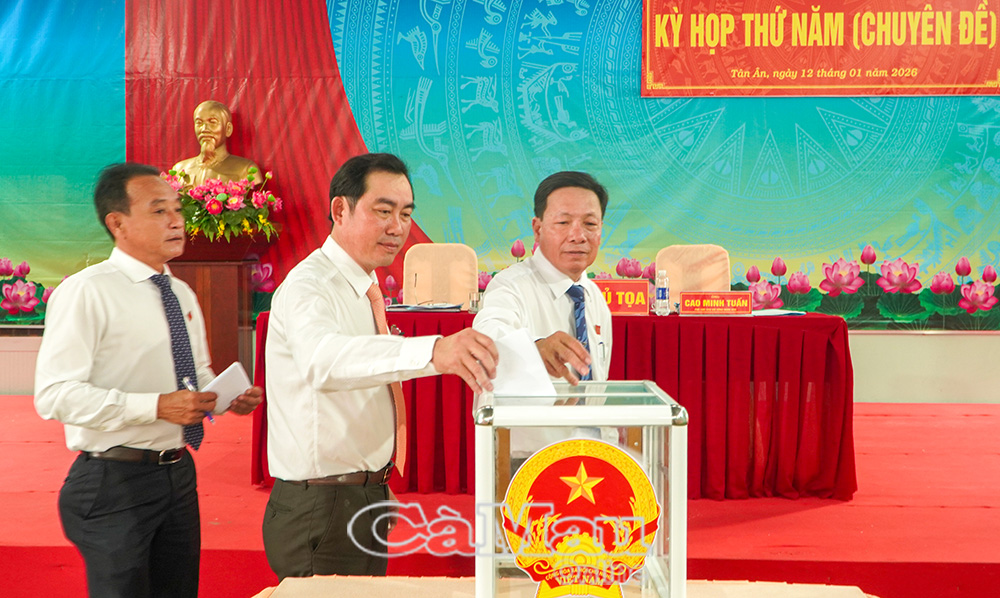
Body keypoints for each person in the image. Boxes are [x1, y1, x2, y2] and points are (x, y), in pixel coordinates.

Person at [262, 152, 498, 579]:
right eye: (383, 211)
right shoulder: (309, 286)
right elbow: (323, 361)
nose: (398, 227)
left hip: (361, 495)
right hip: (321, 505)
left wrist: (376, 489)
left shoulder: (363, 283)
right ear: (340, 210)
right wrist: (433, 351)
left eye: (406, 214)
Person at [34, 162, 264, 598]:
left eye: (177, 209)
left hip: (177, 473)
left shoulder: (180, 292)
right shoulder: (87, 292)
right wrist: (156, 406)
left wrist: (223, 397)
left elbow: (195, 374)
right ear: (117, 223)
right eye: (159, 211)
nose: (177, 221)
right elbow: (54, 395)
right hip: (113, 481)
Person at [473, 171, 613, 463]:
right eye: (563, 223)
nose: (578, 235)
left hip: (589, 456)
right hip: (526, 460)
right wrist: (534, 347)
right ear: (537, 229)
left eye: (590, 224)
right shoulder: (509, 286)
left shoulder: (594, 296)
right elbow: (489, 334)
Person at [171, 100, 261, 187]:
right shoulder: (180, 170)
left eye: (212, 122)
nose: (204, 129)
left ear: (228, 129)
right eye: (199, 123)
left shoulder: (246, 170)